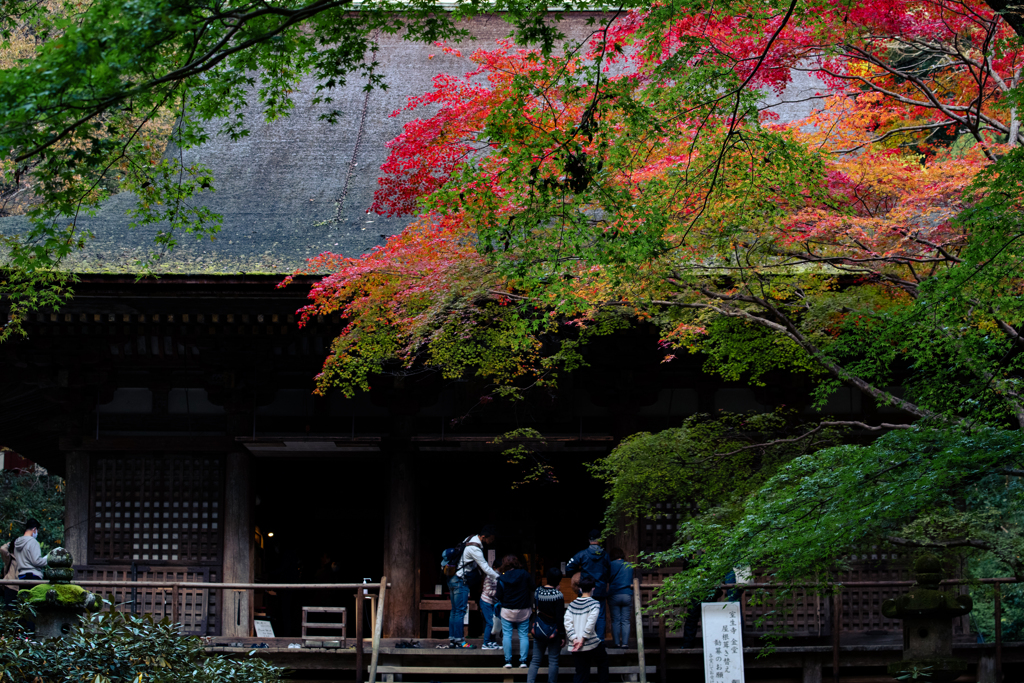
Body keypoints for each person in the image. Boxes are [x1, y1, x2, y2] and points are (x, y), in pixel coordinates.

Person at [448, 525, 499, 649]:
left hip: (454, 579)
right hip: (461, 581)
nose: (491, 542)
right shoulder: (475, 549)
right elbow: (485, 567)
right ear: (483, 537)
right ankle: (460, 641)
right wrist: (499, 577)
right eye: (490, 539)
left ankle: (453, 639)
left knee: (455, 611)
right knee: (460, 611)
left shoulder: (469, 538)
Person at [566, 529, 610, 640]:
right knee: (600, 616)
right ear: (600, 539)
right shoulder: (605, 555)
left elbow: (569, 567)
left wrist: (578, 575)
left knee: (584, 615)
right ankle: (600, 641)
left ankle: (584, 639)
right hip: (600, 588)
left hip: (585, 588)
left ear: (589, 540)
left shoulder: (582, 554)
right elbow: (610, 571)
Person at [564, 577, 609, 683]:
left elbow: (567, 623)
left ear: (580, 589)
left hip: (575, 645)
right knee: (603, 662)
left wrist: (574, 639)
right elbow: (590, 623)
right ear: (593, 589)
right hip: (590, 642)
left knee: (581, 673)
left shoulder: (572, 605)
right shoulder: (595, 604)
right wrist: (582, 640)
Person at [527, 567, 566, 683]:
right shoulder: (558, 595)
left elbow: (536, 609)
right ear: (559, 580)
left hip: (539, 629)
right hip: (553, 631)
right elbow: (559, 617)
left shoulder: (538, 591)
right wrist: (562, 635)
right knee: (553, 661)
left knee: (535, 660)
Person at [496, 554, 533, 668]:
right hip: (523, 610)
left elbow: (498, 595)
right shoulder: (525, 574)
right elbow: (533, 587)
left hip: (507, 610)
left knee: (507, 635)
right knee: (523, 636)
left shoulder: (502, 578)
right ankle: (523, 661)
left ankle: (508, 661)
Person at [607, 548, 634, 648]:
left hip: (614, 594)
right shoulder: (630, 565)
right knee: (626, 620)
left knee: (615, 620)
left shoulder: (610, 565)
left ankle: (617, 642)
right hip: (627, 593)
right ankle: (625, 643)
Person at [480, 560, 502, 649]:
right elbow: (488, 591)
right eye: (500, 569)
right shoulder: (489, 576)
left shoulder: (499, 576)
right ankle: (486, 643)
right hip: (486, 601)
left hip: (494, 603)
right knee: (490, 623)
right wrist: (499, 592)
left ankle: (492, 642)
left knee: (495, 623)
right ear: (494, 568)